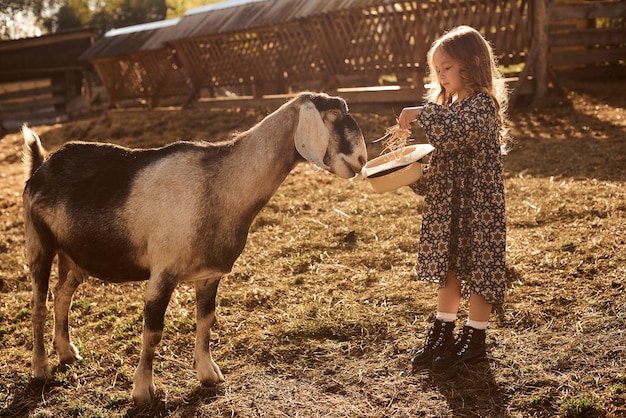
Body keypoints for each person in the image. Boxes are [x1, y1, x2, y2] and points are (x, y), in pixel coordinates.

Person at [397, 25, 509, 372]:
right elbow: (442, 160)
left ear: (472, 64)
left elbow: (455, 133)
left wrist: (421, 112)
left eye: (446, 68)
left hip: (478, 208)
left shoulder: (481, 107)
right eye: (438, 70)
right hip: (449, 207)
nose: (441, 76)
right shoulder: (451, 108)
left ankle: (475, 339)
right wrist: (413, 174)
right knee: (448, 271)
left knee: (480, 270)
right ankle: (442, 333)